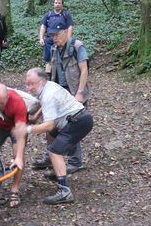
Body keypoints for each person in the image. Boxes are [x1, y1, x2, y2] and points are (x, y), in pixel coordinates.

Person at [14, 68, 93, 205]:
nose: (29, 88)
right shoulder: (48, 86)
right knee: (51, 135)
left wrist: (27, 129)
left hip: (78, 121)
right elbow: (43, 106)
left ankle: (64, 191)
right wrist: (35, 117)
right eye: (27, 84)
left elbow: (49, 124)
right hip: (75, 118)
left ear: (42, 81)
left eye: (32, 84)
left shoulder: (48, 94)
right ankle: (56, 168)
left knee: (54, 151)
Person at [32, 23, 90, 175]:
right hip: (58, 92)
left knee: (71, 127)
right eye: (51, 35)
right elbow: (50, 68)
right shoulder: (54, 49)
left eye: (56, 35)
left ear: (65, 32)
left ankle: (75, 161)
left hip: (74, 93)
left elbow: (84, 70)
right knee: (50, 125)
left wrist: (80, 92)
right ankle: (50, 155)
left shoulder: (77, 46)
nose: (54, 38)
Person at [38, 0, 73, 73]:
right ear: (54, 4)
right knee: (48, 60)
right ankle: (48, 75)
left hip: (62, 40)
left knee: (62, 59)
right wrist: (41, 38)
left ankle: (62, 76)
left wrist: (68, 39)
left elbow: (70, 27)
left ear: (62, 4)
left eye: (59, 3)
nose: (57, 4)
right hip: (49, 40)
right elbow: (43, 26)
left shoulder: (66, 14)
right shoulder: (49, 14)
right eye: (56, 3)